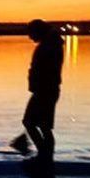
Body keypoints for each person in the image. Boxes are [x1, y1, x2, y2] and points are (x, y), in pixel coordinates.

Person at [20, 19, 64, 162]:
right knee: (41, 125)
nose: (30, 37)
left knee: (32, 123)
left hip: (45, 91)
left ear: (38, 31)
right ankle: (45, 156)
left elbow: (43, 69)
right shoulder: (50, 44)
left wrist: (36, 83)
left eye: (31, 33)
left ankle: (44, 156)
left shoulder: (48, 46)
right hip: (45, 90)